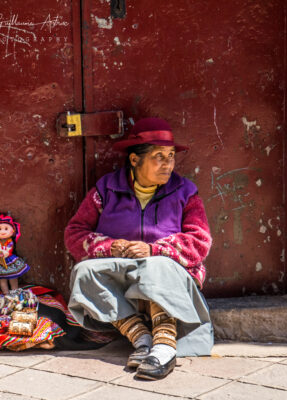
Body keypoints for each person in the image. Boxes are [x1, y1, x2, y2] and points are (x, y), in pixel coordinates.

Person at [64, 117, 213, 380]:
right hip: (123, 278)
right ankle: (142, 339)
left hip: (168, 278)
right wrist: (112, 246)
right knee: (84, 272)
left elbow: (199, 241)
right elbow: (75, 234)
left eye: (171, 156)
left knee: (157, 266)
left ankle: (165, 348)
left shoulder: (185, 192)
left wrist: (154, 250)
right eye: (159, 156)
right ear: (134, 160)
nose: (168, 163)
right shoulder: (106, 190)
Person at [0, 214, 30, 294]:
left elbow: (6, 253)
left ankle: (15, 293)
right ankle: (6, 295)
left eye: (6, 229)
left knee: (13, 278)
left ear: (13, 230)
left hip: (10, 261)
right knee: (2, 281)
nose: (3, 232)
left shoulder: (9, 241)